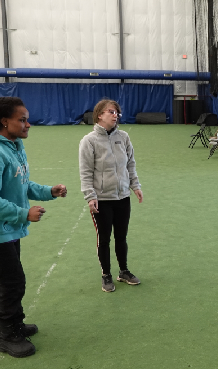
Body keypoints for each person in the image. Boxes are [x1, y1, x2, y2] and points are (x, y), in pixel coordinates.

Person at [0, 97, 67, 358]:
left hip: (7, 228)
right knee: (13, 280)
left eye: (27, 119)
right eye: (22, 120)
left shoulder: (14, 145)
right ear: (4, 122)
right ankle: (7, 335)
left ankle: (6, 325)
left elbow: (22, 183)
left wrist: (49, 192)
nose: (28, 124)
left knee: (8, 279)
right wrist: (24, 214)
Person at [79, 99, 143, 293]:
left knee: (121, 237)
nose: (115, 115)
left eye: (117, 113)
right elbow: (85, 172)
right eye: (111, 112)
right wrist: (90, 196)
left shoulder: (123, 137)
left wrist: (135, 185)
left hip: (123, 197)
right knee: (104, 239)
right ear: (99, 115)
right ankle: (106, 275)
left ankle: (123, 271)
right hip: (102, 200)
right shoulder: (89, 141)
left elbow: (130, 164)